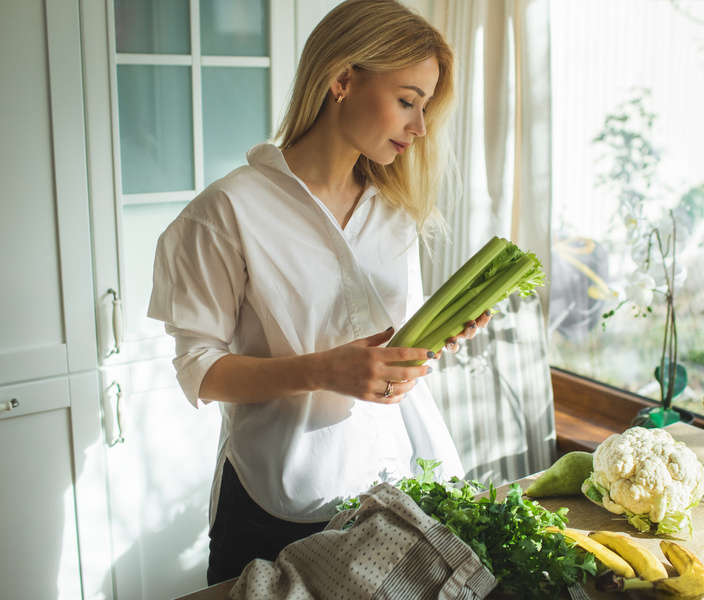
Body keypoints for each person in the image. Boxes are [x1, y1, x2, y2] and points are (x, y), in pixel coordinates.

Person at [147, 0, 490, 585]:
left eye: (426, 107)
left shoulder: (395, 211)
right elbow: (199, 371)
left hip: (392, 498)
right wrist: (324, 370)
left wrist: (429, 342)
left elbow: (386, 354)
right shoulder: (227, 212)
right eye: (407, 100)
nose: (420, 127)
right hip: (275, 506)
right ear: (341, 79)